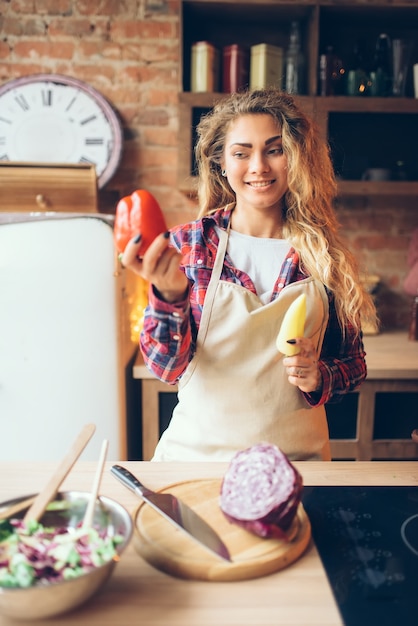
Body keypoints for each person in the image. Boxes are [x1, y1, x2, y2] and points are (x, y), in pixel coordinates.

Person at [121, 88, 377, 462]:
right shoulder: (190, 246)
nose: (258, 166)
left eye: (274, 150)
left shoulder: (325, 256)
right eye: (242, 153)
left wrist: (319, 375)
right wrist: (169, 296)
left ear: (296, 158)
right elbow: (165, 367)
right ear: (221, 163)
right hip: (198, 462)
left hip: (296, 467)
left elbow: (354, 365)